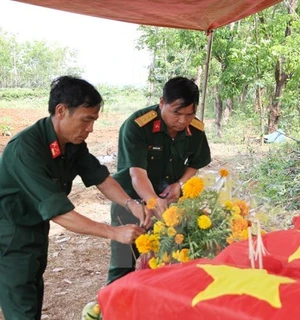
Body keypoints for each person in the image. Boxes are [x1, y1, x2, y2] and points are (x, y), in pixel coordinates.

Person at [0, 76, 147, 320]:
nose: (90, 128)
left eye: (94, 120)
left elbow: (100, 177)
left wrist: (132, 204)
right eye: (86, 120)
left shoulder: (71, 143)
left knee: (33, 293)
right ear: (61, 111)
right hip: (10, 232)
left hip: (35, 226)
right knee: (21, 307)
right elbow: (60, 213)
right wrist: (114, 232)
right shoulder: (26, 149)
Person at [107, 76, 211, 284]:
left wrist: (179, 184)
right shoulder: (137, 126)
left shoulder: (196, 129)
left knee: (170, 262)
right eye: (176, 113)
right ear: (162, 103)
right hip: (132, 202)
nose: (182, 121)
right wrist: (153, 202)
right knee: (124, 264)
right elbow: (137, 174)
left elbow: (195, 163)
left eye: (189, 114)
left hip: (171, 204)